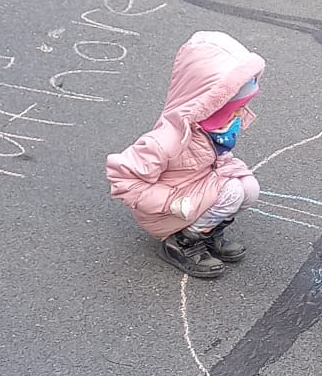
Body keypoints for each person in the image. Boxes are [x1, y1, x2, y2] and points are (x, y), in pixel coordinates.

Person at [105, 31, 263, 279]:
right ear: (208, 103)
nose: (238, 114)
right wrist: (172, 204)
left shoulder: (214, 127)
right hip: (168, 207)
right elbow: (124, 180)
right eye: (233, 108)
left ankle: (208, 231)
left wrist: (228, 168)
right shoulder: (167, 139)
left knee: (249, 188)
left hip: (193, 189)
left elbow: (212, 160)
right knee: (232, 193)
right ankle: (181, 241)